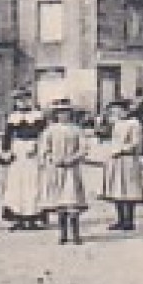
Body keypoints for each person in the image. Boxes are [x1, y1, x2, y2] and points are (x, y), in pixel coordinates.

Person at [37, 98, 89, 245]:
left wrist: (73, 158)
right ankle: (63, 234)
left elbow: (84, 148)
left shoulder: (76, 130)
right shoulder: (50, 130)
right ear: (55, 114)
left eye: (66, 112)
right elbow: (44, 149)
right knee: (60, 204)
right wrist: (52, 158)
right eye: (60, 113)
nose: (63, 116)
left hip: (72, 170)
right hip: (56, 170)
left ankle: (76, 234)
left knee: (72, 201)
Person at [0, 90, 48, 230]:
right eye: (18, 100)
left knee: (33, 183)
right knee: (17, 184)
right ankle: (18, 217)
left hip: (33, 150)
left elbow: (44, 135)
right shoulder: (12, 117)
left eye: (25, 99)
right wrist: (8, 151)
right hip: (18, 151)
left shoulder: (38, 116)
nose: (22, 102)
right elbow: (7, 138)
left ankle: (32, 217)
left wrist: (39, 148)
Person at [99, 105, 143, 231]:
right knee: (117, 189)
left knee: (129, 189)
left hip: (128, 159)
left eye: (120, 110)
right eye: (114, 112)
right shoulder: (115, 124)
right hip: (115, 159)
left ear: (126, 111)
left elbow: (136, 142)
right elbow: (104, 136)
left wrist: (121, 149)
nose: (118, 113)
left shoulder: (134, 123)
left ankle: (129, 220)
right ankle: (120, 219)